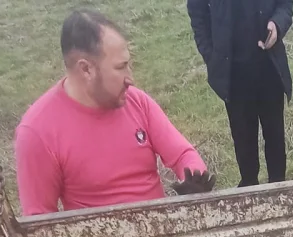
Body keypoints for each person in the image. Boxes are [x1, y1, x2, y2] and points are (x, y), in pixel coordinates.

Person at [15, 9, 213, 217]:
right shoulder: (37, 132)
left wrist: (195, 181)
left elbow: (182, 154)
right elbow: (40, 221)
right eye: (121, 67)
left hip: (161, 232)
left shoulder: (136, 101)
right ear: (86, 70)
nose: (130, 79)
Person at [187, 0, 293, 187]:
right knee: (243, 141)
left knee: (275, 138)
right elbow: (198, 13)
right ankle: (248, 191)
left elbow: (285, 4)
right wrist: (211, 56)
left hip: (270, 68)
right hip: (233, 74)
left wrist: (277, 24)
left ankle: (279, 190)